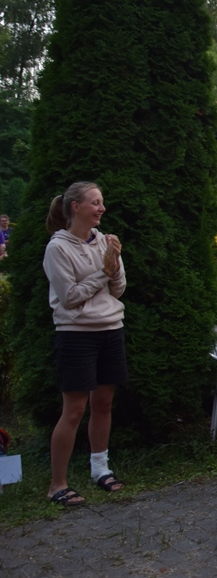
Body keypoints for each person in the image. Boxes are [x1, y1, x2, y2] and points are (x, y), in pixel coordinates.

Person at [43, 182, 127, 508]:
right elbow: (70, 297)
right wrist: (104, 272)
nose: (101, 208)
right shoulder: (57, 248)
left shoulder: (105, 241)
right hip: (76, 334)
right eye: (95, 203)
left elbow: (118, 290)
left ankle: (100, 469)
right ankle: (57, 484)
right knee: (75, 409)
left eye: (102, 202)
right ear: (75, 207)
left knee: (103, 403)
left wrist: (114, 264)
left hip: (111, 329)